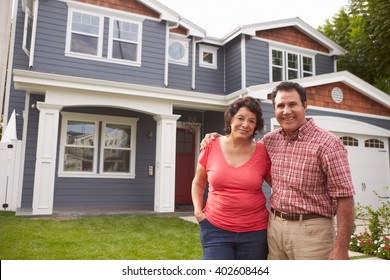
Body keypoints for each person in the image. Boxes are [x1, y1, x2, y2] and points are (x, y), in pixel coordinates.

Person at [201, 81, 355, 260]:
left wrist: (342, 247)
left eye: (292, 104)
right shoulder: (270, 141)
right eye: (280, 105)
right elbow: (242, 147)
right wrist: (218, 139)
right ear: (274, 109)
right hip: (274, 228)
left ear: (305, 106)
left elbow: (345, 197)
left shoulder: (328, 143)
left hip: (312, 232)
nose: (286, 111)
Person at [192, 96, 272, 260]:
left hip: (255, 232)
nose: (245, 124)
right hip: (215, 229)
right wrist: (198, 212)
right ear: (230, 120)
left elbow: (278, 186)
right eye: (240, 118)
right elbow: (198, 183)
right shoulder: (210, 145)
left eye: (251, 121)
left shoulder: (263, 152)